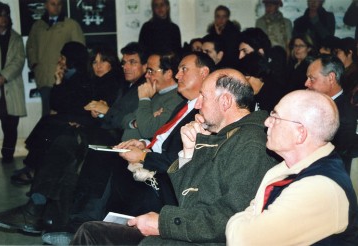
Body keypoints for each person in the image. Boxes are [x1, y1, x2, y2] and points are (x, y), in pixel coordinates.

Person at [70, 68, 278, 245]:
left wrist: (162, 224)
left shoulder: (251, 144)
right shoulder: (224, 136)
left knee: (92, 234)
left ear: (225, 101)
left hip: (198, 240)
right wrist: (189, 153)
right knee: (93, 231)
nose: (197, 105)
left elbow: (231, 218)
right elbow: (189, 199)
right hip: (185, 234)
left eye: (203, 97)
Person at [0, 43, 123, 234]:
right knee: (54, 128)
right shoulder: (97, 81)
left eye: (103, 61)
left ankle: (35, 204)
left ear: (112, 63)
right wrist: (57, 80)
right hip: (91, 128)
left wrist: (87, 119)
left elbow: (107, 115)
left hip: (104, 135)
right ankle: (36, 202)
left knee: (58, 133)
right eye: (95, 61)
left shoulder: (112, 82)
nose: (98, 66)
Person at [226, 90, 358, 245]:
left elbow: (242, 240)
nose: (267, 122)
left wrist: (237, 222)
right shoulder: (289, 166)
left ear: (300, 133)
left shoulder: (320, 188)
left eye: (275, 117)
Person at [26, 0, 85, 116]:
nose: (56, 7)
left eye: (59, 4)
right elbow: (30, 47)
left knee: (65, 112)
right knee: (47, 113)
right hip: (44, 77)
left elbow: (79, 50)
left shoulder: (71, 25)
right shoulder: (37, 26)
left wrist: (69, 70)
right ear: (45, 5)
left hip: (65, 78)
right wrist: (35, 65)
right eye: (53, 4)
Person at [305, 54, 357, 174]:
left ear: (331, 78)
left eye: (312, 78)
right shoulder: (312, 103)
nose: (306, 83)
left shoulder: (346, 113)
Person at [0, 2, 27, 164]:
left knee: (11, 124)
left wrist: (4, 76)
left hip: (11, 85)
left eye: (6, 15)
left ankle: (7, 157)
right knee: (1, 121)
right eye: (0, 15)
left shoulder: (16, 38)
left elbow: (19, 60)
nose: (3, 18)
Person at [335, 37, 358, 103]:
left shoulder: (354, 75)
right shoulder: (342, 70)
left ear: (349, 52)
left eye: (338, 52)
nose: (336, 55)